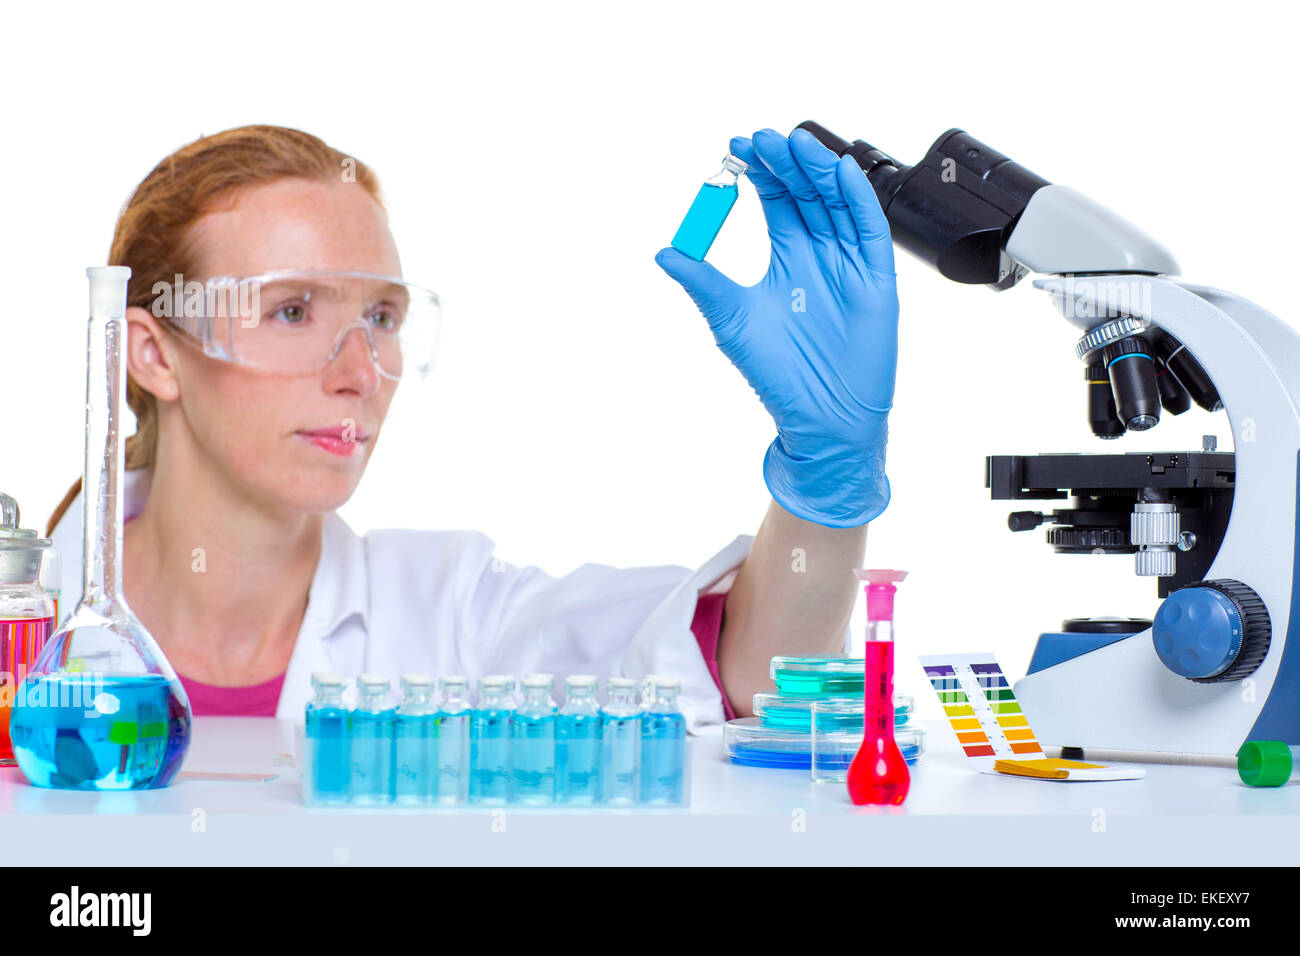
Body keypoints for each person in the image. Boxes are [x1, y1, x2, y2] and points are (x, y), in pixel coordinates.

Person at [47, 124, 899, 733]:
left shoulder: (453, 613)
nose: (360, 369)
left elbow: (758, 677)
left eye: (382, 315)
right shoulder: (30, 618)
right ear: (153, 354)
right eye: (294, 309)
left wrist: (825, 480)